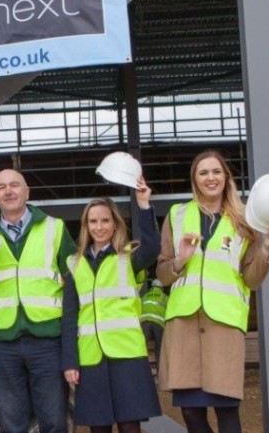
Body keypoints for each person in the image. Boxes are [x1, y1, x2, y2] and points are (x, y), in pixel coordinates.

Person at [156, 151, 269, 433]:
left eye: (216, 171)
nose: (210, 178)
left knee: (227, 410)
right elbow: (163, 274)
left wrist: (267, 247)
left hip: (224, 324)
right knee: (191, 412)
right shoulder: (177, 215)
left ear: (226, 177)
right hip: (184, 323)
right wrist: (181, 259)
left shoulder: (245, 221)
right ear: (194, 179)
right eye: (203, 172)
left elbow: (251, 280)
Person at [0, 168, 76, 433]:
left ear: (27, 191)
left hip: (47, 339)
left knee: (54, 419)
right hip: (2, 344)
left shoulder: (55, 229)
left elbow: (76, 283)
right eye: (1, 187)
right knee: (12, 423)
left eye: (14, 185)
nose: (8, 191)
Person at [62, 178, 162, 433]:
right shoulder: (75, 264)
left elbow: (152, 248)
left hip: (126, 355)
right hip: (91, 358)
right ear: (85, 225)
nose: (99, 227)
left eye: (105, 220)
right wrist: (70, 361)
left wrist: (143, 205)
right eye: (93, 221)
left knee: (129, 426)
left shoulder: (128, 256)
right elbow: (70, 317)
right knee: (99, 427)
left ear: (116, 223)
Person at [139, 279, 168, 359]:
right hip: (158, 324)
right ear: (162, 288)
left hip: (145, 323)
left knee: (141, 345)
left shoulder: (145, 296)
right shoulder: (164, 297)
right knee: (160, 347)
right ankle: (159, 365)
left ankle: (141, 363)